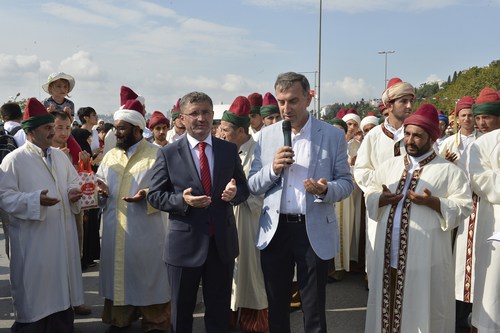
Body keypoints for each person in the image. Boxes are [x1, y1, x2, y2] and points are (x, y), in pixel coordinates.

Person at [248, 72, 353, 333]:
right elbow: (252, 184)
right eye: (281, 101)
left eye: (293, 101)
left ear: (309, 98)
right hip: (275, 230)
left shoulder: (331, 135)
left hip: (313, 228)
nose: (286, 108)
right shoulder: (266, 136)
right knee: (277, 306)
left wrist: (324, 189)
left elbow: (346, 183)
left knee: (314, 308)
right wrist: (273, 168)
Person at [364, 103, 473, 333]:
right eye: (407, 134)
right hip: (387, 254)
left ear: (432, 138)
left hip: (425, 257)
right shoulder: (389, 166)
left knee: (420, 310)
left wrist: (433, 202)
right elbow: (371, 194)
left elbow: (464, 207)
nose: (410, 140)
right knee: (385, 305)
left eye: (417, 136)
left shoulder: (449, 171)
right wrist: (381, 199)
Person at [147, 91, 249, 333]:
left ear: (213, 116)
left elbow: (243, 189)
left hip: (221, 245)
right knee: (181, 314)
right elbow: (154, 195)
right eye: (194, 113)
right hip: (184, 246)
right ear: (182, 118)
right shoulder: (168, 153)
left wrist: (235, 194)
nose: (201, 118)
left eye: (205, 112)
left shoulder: (228, 150)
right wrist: (181, 201)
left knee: (218, 313)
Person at [0, 97, 85, 333]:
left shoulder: (60, 156)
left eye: (52, 127)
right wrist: (33, 200)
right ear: (31, 131)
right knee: (36, 302)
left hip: (62, 241)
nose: (53, 132)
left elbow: (71, 182)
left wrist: (73, 193)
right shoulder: (14, 160)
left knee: (61, 297)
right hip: (34, 242)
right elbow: (4, 197)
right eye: (47, 128)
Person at [96, 99, 170, 333]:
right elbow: (100, 181)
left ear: (138, 129)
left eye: (121, 128)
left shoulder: (157, 154)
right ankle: (120, 319)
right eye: (115, 127)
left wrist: (146, 195)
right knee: (119, 275)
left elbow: (169, 190)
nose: (116, 133)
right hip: (114, 226)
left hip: (146, 230)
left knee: (149, 276)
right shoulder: (110, 156)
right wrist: (100, 190)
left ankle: (155, 322)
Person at [353, 77, 415, 289]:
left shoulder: (416, 134)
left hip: (412, 208)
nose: (408, 106)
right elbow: (361, 171)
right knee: (381, 266)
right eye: (403, 101)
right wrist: (382, 188)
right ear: (389, 105)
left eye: (411, 101)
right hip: (381, 208)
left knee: (410, 270)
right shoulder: (374, 136)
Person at [219, 96, 268, 332]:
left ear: (240, 130)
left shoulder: (259, 152)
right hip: (226, 220)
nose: (221, 133)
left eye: (226, 130)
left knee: (250, 271)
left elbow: (263, 190)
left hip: (250, 220)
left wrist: (240, 193)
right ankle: (227, 316)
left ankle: (253, 321)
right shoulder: (223, 150)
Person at [467, 89, 500, 333]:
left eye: (487, 117)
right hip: (492, 221)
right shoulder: (481, 145)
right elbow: (481, 181)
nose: (481, 123)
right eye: (478, 118)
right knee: (491, 284)